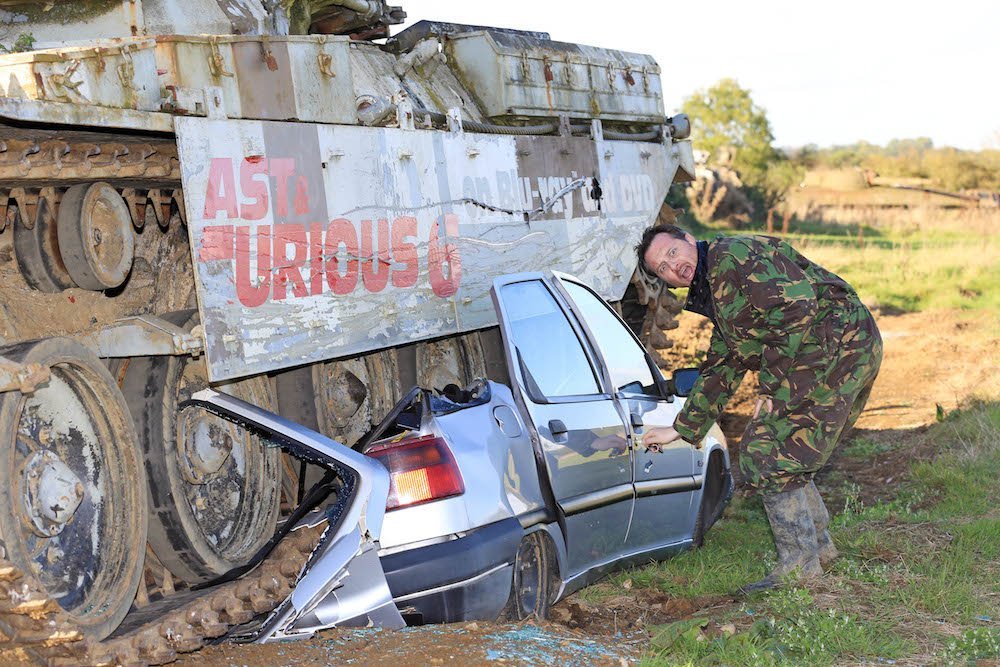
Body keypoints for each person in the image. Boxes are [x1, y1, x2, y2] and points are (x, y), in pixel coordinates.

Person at [636, 223, 882, 592]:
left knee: (765, 450)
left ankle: (801, 567)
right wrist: (682, 427)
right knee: (785, 451)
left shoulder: (732, 257)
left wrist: (770, 386)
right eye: (662, 269)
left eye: (672, 253)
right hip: (836, 347)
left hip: (835, 345)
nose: (674, 267)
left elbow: (797, 309)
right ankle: (819, 551)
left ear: (688, 239)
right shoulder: (716, 287)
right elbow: (724, 363)